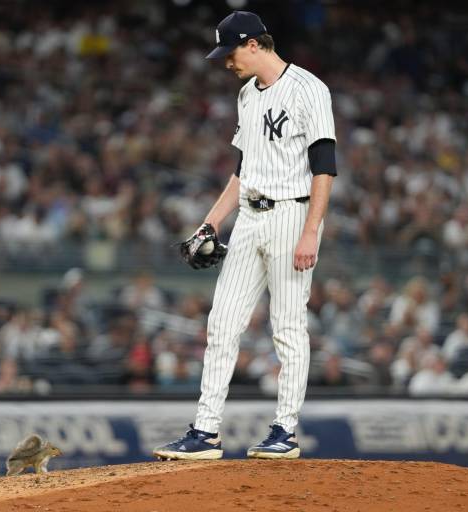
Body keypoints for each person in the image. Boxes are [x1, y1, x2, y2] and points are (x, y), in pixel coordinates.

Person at [154, 10, 336, 461]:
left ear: (254, 44)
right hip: (250, 218)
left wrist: (311, 231)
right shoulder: (246, 95)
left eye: (230, 51)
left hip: (292, 215)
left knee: (287, 327)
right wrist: (210, 222)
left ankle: (285, 430)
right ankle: (205, 431)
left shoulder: (309, 89)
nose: (226, 61)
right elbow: (242, 171)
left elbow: (325, 167)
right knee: (221, 322)